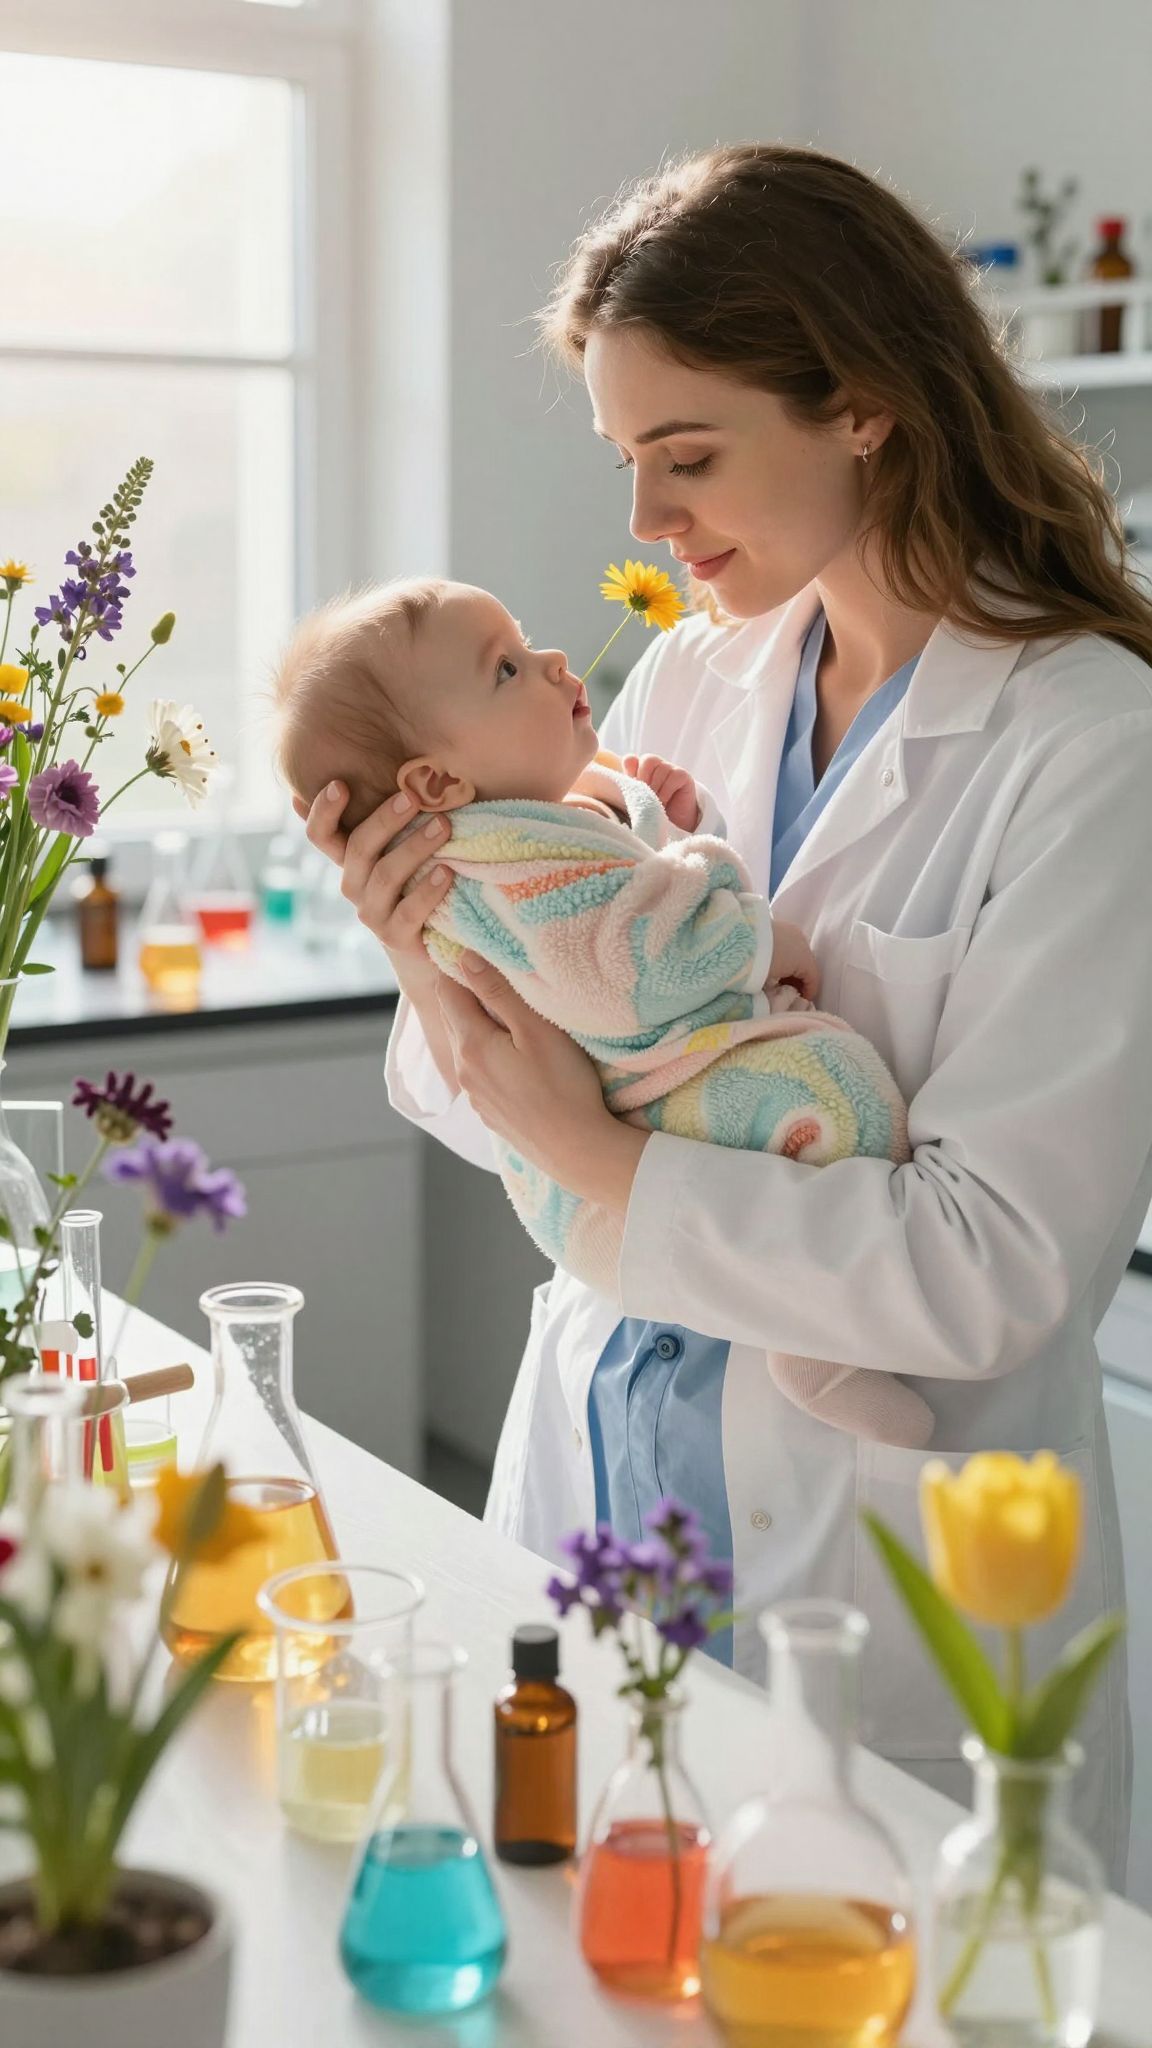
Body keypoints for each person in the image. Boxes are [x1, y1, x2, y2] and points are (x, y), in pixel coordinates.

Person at [299, 144, 1152, 1881]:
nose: (645, 525)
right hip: (604, 1493)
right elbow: (555, 1034)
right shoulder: (697, 665)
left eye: (685, 457)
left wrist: (591, 1162)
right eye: (627, 462)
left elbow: (989, 1264)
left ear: (864, 406)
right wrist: (421, 938)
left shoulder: (1089, 742)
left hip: (865, 1568)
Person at [276, 576, 929, 1448]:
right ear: (433, 779)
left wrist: (649, 814)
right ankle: (816, 1349)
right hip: (624, 1194)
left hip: (642, 1184)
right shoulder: (493, 860)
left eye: (526, 639)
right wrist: (764, 940)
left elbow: (607, 901)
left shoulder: (524, 820)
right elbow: (633, 974)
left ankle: (810, 1339)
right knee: (840, 1096)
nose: (551, 661)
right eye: (506, 668)